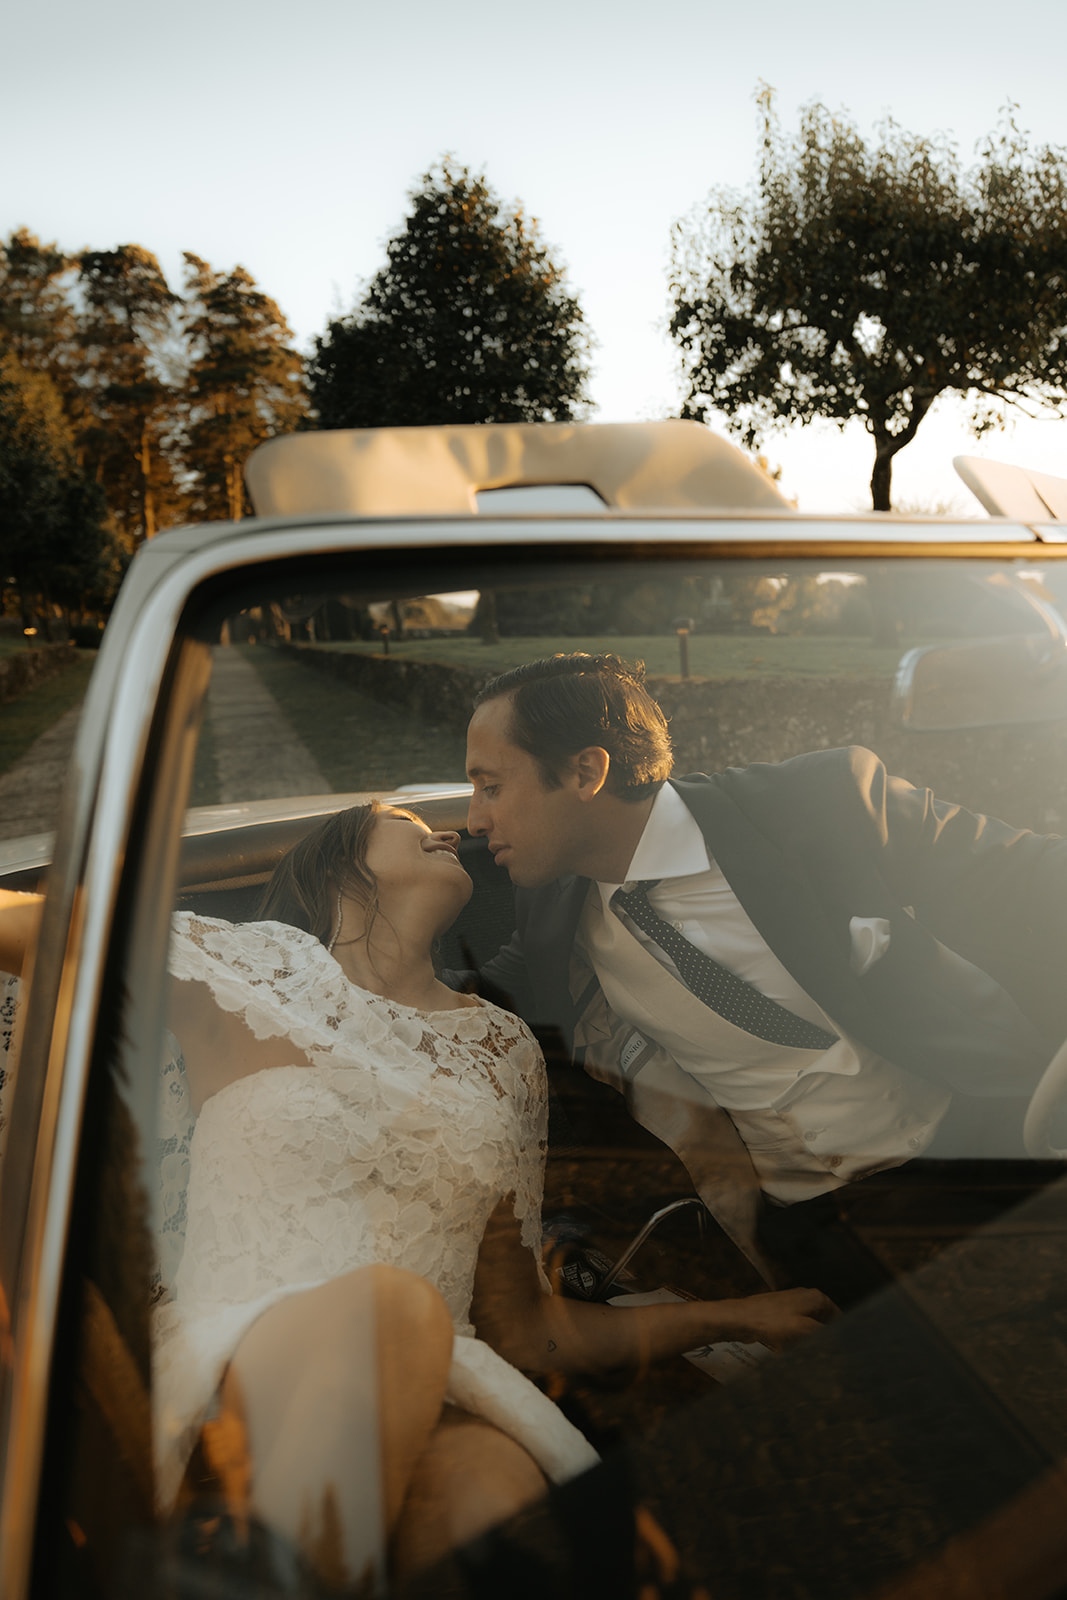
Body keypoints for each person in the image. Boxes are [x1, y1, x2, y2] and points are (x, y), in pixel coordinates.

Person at [0, 806, 834, 1592]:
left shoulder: (502, 1049)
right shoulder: (248, 969)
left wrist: (732, 1317)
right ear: (341, 866)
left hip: (448, 1375)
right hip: (245, 1357)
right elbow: (25, 930)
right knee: (392, 1308)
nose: (444, 829)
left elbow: (528, 1329)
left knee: (494, 1503)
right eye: (402, 821)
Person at [463, 653, 1067, 1301]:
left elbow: (1030, 877)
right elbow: (468, 1007)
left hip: (979, 1161)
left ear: (586, 771)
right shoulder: (550, 907)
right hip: (809, 1230)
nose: (474, 818)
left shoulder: (820, 804)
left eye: (490, 786)